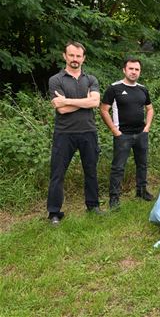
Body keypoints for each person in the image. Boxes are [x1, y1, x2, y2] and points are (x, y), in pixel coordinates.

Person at [47, 41, 102, 225]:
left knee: (91, 171)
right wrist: (84, 100)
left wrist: (68, 101)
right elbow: (60, 109)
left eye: (78, 56)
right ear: (65, 56)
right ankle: (54, 213)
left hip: (88, 131)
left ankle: (93, 206)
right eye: (71, 55)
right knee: (57, 173)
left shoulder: (91, 79)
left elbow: (95, 103)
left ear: (83, 58)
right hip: (64, 133)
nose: (75, 59)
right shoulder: (56, 80)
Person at [100, 58, 155, 209]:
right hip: (122, 135)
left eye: (137, 69)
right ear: (124, 70)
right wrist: (114, 130)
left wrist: (147, 127)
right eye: (131, 69)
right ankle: (114, 198)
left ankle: (142, 191)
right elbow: (104, 109)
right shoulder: (114, 88)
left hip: (141, 133)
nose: (134, 72)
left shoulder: (143, 89)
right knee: (118, 167)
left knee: (142, 164)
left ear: (140, 72)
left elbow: (150, 108)